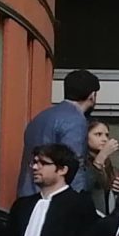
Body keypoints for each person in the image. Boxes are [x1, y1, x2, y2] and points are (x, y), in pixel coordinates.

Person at [2, 143, 109, 236]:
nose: (35, 167)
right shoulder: (22, 205)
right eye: (34, 162)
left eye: (43, 163)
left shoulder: (79, 205)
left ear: (62, 169)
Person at [14, 69, 97, 197]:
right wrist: (78, 199)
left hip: (27, 197)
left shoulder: (40, 118)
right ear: (92, 95)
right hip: (53, 201)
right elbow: (74, 164)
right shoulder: (75, 120)